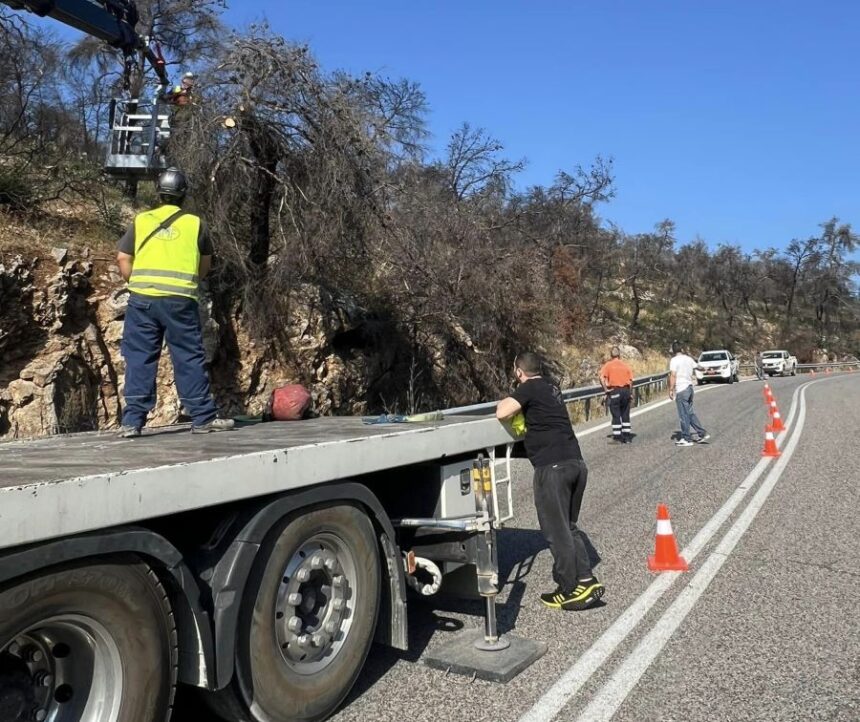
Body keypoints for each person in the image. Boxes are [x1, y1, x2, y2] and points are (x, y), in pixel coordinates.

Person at [115, 168, 234, 438]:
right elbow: (204, 265)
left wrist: (138, 282)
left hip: (142, 299)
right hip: (180, 301)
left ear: (159, 192)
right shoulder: (195, 224)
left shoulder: (142, 220)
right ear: (184, 194)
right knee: (188, 356)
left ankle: (132, 422)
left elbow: (123, 257)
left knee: (140, 357)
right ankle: (202, 418)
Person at [496, 352, 604, 611]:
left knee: (556, 532)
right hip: (575, 463)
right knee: (569, 526)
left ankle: (570, 588)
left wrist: (511, 401)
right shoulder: (551, 387)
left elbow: (502, 412)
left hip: (552, 468)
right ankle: (585, 580)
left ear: (518, 372)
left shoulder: (529, 387)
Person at [668, 341, 710, 446]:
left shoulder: (674, 360)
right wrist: (705, 368)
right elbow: (698, 367)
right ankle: (702, 433)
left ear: (673, 350)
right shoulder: (688, 358)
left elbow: (673, 375)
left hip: (681, 389)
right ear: (682, 349)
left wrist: (671, 389)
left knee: (683, 415)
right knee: (690, 413)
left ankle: (686, 439)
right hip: (690, 388)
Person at [599, 346, 634, 443]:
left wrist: (606, 390)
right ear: (619, 355)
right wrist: (630, 393)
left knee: (616, 414)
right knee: (625, 413)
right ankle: (627, 437)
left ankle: (618, 437)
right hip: (626, 390)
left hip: (615, 391)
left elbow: (602, 378)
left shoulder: (608, 365)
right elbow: (631, 381)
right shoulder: (625, 365)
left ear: (611, 355)